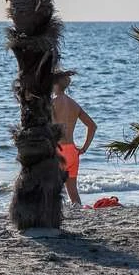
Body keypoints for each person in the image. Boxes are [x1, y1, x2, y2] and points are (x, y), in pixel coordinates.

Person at [51, 71, 97, 208]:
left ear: (54, 84)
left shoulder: (52, 103)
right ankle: (78, 212)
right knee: (73, 192)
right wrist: (84, 148)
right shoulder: (74, 104)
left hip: (58, 151)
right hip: (72, 152)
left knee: (52, 189)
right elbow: (92, 126)